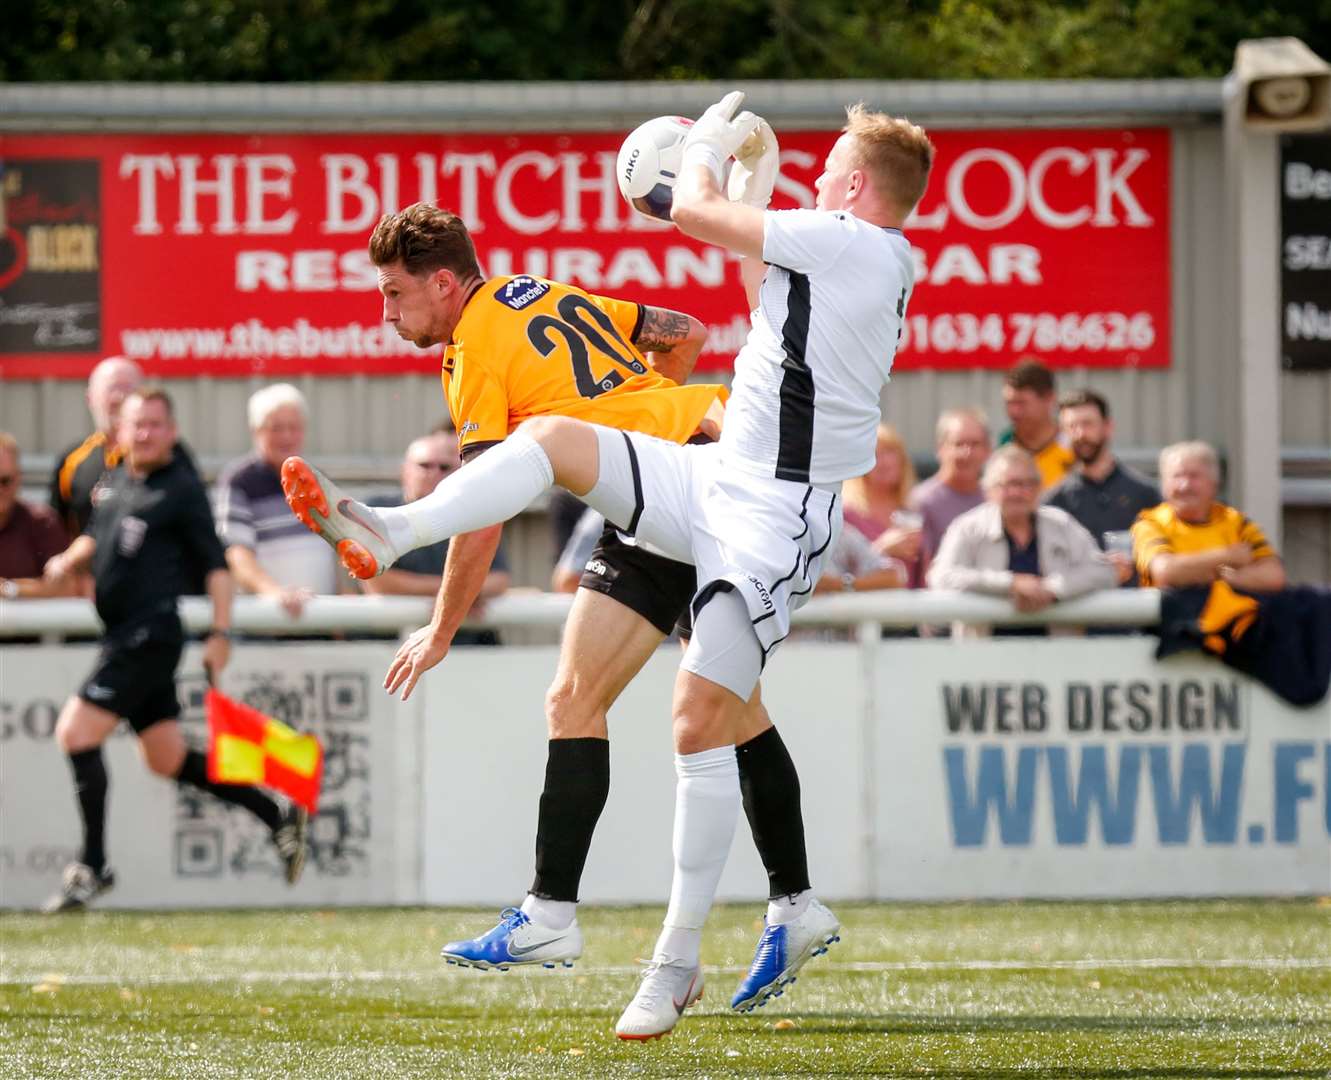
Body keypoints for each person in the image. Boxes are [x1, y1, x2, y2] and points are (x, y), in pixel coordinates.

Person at [282, 92, 932, 1038]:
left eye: (831, 164)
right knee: (551, 445)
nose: (819, 175)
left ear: (857, 184)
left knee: (699, 720)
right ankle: (390, 529)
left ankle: (676, 960)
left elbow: (696, 215)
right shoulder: (830, 249)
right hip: (706, 470)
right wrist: (751, 173)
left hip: (771, 509)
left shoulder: (856, 242)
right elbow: (741, 288)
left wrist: (702, 151)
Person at [40, 388, 307, 913]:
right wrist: (66, 560)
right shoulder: (114, 480)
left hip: (149, 637)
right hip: (122, 636)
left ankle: (92, 866)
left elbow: (216, 566)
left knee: (74, 733)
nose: (144, 434)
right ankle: (274, 811)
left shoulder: (181, 489)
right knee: (166, 759)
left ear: (172, 431)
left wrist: (221, 633)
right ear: (121, 430)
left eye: (155, 425)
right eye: (136, 424)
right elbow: (96, 536)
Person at [927, 445, 1117, 638]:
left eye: (1026, 484)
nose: (1017, 493)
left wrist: (1053, 589)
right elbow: (941, 577)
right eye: (1008, 484)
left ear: (1038, 488)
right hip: (984, 661)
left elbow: (1103, 570)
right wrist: (1010, 584)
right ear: (989, 490)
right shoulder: (968, 528)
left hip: (1056, 659)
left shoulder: (1061, 524)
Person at [364, 428, 511, 645]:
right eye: (424, 465)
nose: (434, 473)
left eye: (444, 467)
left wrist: (452, 594)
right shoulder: (378, 511)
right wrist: (456, 593)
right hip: (388, 645)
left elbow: (499, 580)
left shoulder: (474, 512)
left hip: (466, 646)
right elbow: (377, 582)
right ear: (405, 470)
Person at [214, 384, 341, 618]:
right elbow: (236, 553)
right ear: (255, 431)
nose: (287, 436)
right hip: (268, 623)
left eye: (294, 427)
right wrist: (274, 592)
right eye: (276, 428)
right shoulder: (240, 481)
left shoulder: (316, 479)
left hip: (321, 621)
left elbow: (339, 547)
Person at [1133, 440, 1285, 622]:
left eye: (1193, 476)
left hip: (1239, 630)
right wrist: (1227, 556)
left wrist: (1221, 576)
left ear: (1214, 483)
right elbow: (1166, 572)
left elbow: (1274, 576)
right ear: (1163, 484)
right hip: (1176, 631)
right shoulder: (1150, 523)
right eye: (1176, 476)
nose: (1184, 486)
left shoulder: (1235, 522)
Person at [1045, 389, 1159, 585]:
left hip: (1136, 610)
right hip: (1078, 611)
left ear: (1108, 427)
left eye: (1087, 424)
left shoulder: (1146, 494)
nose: (1080, 434)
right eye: (1071, 426)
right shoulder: (1053, 503)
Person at [49, 356, 143, 538]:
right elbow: (56, 530)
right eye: (112, 388)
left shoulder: (165, 456)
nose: (120, 397)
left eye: (128, 388)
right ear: (90, 398)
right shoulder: (72, 459)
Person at [907, 407, 991, 580]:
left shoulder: (995, 499)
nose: (966, 453)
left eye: (975, 444)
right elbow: (922, 570)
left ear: (987, 451)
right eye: (958, 444)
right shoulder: (921, 501)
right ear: (940, 449)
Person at [840, 423, 922, 579]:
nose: (884, 462)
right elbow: (837, 575)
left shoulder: (913, 509)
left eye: (890, 452)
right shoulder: (846, 514)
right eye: (874, 454)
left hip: (911, 601)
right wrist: (882, 548)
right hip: (866, 601)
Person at [0, 433, 75, 600]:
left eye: (5, 481)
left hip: (31, 625)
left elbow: (67, 587)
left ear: (18, 479)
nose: (0, 489)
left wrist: (9, 589)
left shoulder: (41, 521)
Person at [998, 358, 1074, 491]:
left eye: (1021, 403)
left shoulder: (1072, 445)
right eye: (1009, 403)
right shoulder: (1004, 444)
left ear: (1049, 398)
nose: (1013, 411)